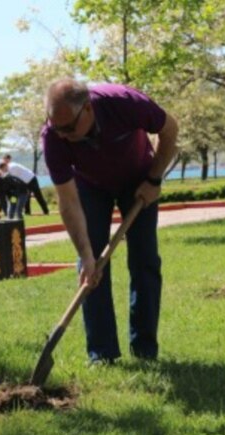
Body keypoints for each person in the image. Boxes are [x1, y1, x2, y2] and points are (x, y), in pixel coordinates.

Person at [42, 79, 179, 365]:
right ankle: (102, 354)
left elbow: (170, 129)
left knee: (144, 261)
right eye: (57, 128)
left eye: (69, 128)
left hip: (139, 178)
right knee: (90, 268)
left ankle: (144, 350)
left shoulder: (124, 102)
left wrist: (154, 179)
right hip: (90, 187)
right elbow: (68, 201)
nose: (63, 136)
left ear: (88, 109)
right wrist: (85, 254)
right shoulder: (54, 136)